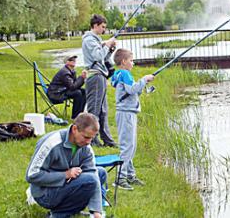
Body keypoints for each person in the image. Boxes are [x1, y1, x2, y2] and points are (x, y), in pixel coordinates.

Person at [26, 113, 107, 218]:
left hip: (62, 187)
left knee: (100, 173)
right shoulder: (51, 143)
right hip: (43, 193)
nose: (88, 142)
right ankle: (59, 214)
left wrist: (97, 212)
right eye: (86, 137)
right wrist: (65, 175)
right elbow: (31, 175)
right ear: (74, 129)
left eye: (91, 138)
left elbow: (93, 174)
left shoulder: (86, 147)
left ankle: (71, 211)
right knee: (90, 179)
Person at [111, 48, 154, 190]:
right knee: (127, 146)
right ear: (124, 61)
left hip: (127, 113)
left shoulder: (119, 74)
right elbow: (132, 90)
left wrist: (144, 87)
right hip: (126, 113)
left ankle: (130, 175)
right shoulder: (125, 73)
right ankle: (120, 178)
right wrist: (144, 79)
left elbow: (132, 91)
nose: (133, 63)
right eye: (131, 60)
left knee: (131, 145)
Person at [82, 14, 117, 147]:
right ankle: (92, 139)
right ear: (95, 25)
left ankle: (107, 139)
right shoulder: (89, 40)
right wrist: (106, 45)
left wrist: (110, 49)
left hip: (100, 75)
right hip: (95, 76)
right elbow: (97, 55)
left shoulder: (96, 40)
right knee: (94, 110)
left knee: (103, 110)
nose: (104, 30)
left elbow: (102, 58)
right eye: (102, 27)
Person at [47, 55, 87, 119]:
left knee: (84, 91)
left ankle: (80, 114)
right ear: (66, 62)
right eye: (71, 60)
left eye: (74, 59)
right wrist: (81, 77)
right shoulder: (65, 72)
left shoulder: (72, 71)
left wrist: (82, 78)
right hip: (56, 93)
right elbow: (72, 87)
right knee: (78, 93)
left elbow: (75, 85)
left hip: (63, 90)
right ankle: (75, 117)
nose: (73, 61)